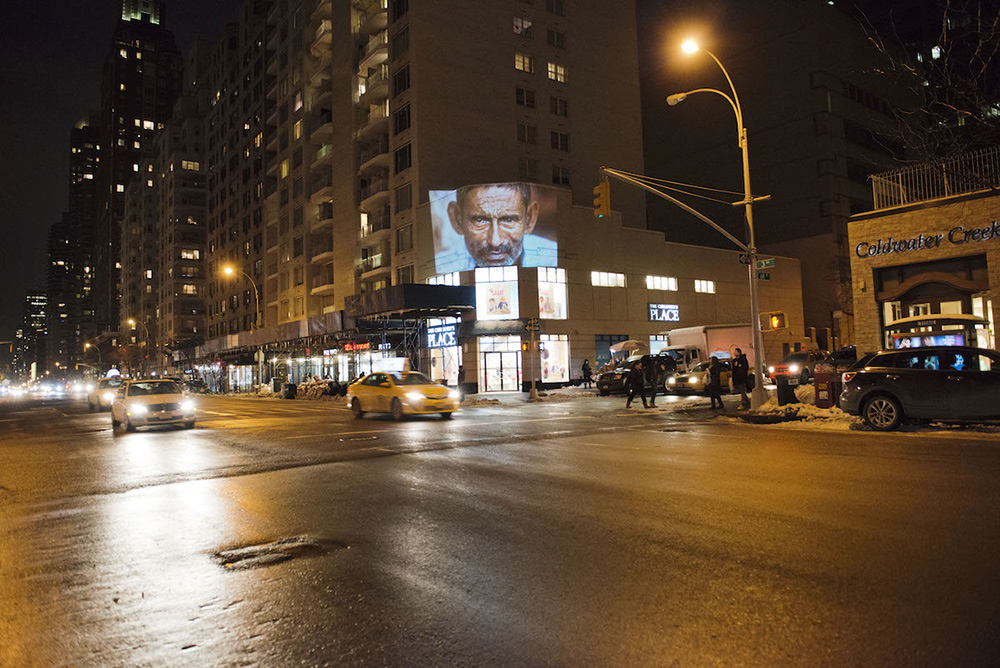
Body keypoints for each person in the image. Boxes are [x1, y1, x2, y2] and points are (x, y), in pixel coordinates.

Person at [445, 183, 556, 269]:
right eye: (479, 220)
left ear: (529, 219)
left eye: (508, 220)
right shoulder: (445, 266)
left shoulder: (552, 258)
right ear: (457, 219)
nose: (495, 242)